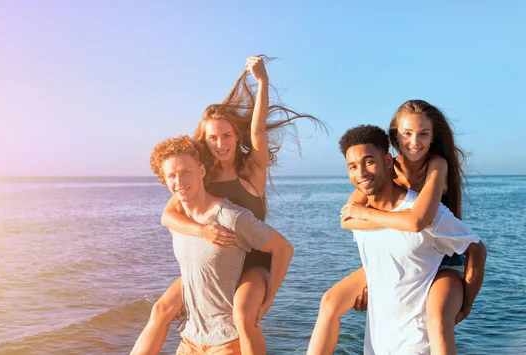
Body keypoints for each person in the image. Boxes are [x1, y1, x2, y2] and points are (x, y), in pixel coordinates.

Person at [131, 56, 324, 355]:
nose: (220, 144)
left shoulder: (251, 171)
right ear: (203, 141)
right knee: (161, 310)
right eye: (212, 138)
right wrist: (203, 231)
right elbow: (168, 216)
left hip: (252, 263)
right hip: (216, 264)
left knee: (244, 317)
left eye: (226, 136)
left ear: (236, 137)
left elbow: (259, 131)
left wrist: (262, 83)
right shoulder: (201, 176)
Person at [307, 100, 484, 355]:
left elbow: (416, 221)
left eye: (424, 134)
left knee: (437, 321)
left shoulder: (436, 166)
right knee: (330, 301)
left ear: (434, 137)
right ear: (395, 137)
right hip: (408, 252)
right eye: (407, 134)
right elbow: (346, 219)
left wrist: (467, 303)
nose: (415, 142)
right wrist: (380, 280)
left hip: (443, 258)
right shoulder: (385, 169)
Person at [144, 135, 294, 354]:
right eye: (172, 176)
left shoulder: (231, 217)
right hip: (190, 340)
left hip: (226, 341)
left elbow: (283, 248)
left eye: (186, 172)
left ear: (202, 171)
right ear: (164, 180)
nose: (179, 181)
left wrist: (268, 297)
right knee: (159, 310)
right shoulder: (177, 220)